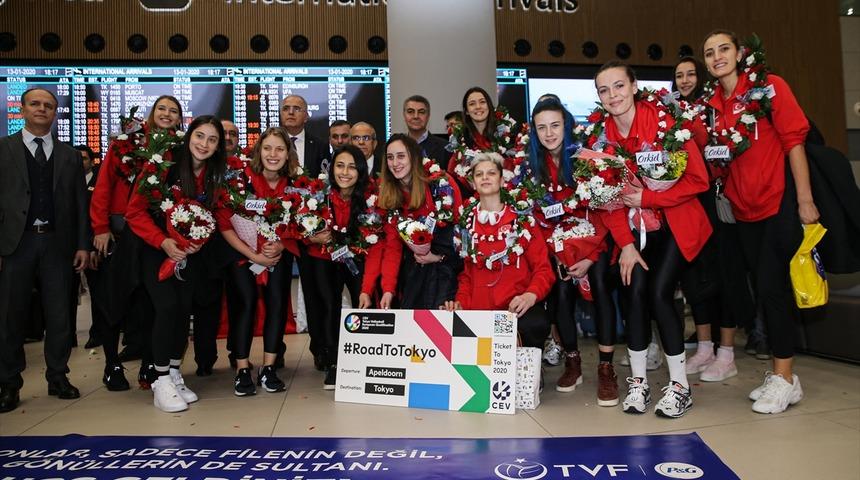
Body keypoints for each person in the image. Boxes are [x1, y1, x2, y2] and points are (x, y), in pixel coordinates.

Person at [702, 30, 819, 414]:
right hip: (742, 211)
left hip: (778, 203)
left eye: (723, 49)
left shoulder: (769, 87)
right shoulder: (713, 105)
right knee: (756, 289)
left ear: (739, 53)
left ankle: (784, 376)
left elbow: (794, 142)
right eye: (709, 53)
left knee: (771, 289)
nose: (717, 56)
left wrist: (805, 200)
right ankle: (783, 376)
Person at [590, 61, 711, 418]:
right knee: (633, 290)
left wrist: (649, 198)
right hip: (634, 231)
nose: (613, 96)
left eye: (618, 86)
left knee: (659, 293)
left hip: (675, 223)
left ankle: (679, 387)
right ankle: (639, 382)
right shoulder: (601, 139)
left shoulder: (666, 123)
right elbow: (605, 198)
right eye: (604, 90)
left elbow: (698, 181)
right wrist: (625, 244)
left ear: (634, 85)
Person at [125, 115, 227, 412]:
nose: (204, 144)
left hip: (189, 255)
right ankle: (158, 379)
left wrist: (198, 240)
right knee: (167, 307)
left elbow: (212, 217)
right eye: (199, 136)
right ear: (188, 136)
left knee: (183, 311)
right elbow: (135, 213)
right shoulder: (162, 164)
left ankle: (172, 371)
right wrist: (163, 241)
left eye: (212, 139)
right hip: (156, 251)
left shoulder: (214, 175)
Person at [0, 87, 90, 413]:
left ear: (55, 114)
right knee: (11, 315)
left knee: (59, 315)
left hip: (57, 243)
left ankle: (58, 376)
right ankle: (9, 382)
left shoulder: (68, 155)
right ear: (22, 109)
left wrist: (82, 244)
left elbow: (81, 203)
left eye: (48, 106)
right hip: (15, 243)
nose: (42, 109)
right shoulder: (4, 149)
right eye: (35, 104)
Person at [524, 98, 618, 403]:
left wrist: (590, 256)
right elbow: (535, 219)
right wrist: (556, 253)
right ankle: (573, 361)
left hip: (595, 240)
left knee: (602, 284)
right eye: (542, 127)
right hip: (555, 245)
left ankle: (606, 368)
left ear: (565, 124)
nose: (549, 133)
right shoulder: (531, 169)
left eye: (555, 125)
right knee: (561, 293)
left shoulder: (585, 159)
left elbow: (604, 208)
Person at [671, 56, 757, 383]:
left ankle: (727, 353)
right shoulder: (671, 115)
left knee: (726, 277)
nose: (685, 80)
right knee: (696, 279)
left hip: (720, 202)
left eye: (691, 73)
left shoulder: (714, 110)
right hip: (690, 206)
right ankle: (704, 348)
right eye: (679, 75)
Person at [90, 95, 183, 390]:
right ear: (151, 112)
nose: (167, 114)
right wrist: (101, 227)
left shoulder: (178, 150)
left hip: (153, 235)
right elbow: (103, 186)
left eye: (174, 111)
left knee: (149, 304)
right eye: (162, 109)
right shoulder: (124, 143)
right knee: (113, 301)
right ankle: (111, 364)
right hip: (118, 234)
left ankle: (148, 363)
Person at [442, 152, 553, 354]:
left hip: (514, 308)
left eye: (491, 173)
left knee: (535, 323)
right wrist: (460, 304)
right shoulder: (466, 225)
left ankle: (527, 368)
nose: (485, 177)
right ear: (473, 184)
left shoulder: (522, 220)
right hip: (480, 309)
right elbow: (467, 275)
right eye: (479, 174)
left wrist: (530, 295)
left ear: (502, 180)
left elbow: (543, 269)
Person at [300, 144, 388, 389]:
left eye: (352, 166)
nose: (345, 172)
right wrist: (311, 236)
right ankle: (333, 361)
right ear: (331, 168)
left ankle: (368, 357)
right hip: (322, 256)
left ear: (360, 171)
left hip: (357, 257)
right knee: (329, 305)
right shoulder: (318, 195)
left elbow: (376, 240)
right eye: (340, 165)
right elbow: (300, 227)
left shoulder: (372, 198)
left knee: (365, 299)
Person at [217, 127, 298, 396]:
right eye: (267, 148)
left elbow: (303, 222)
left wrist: (281, 245)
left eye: (279, 149)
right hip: (243, 254)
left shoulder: (297, 184)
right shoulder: (239, 181)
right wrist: (253, 255)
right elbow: (225, 224)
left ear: (288, 154)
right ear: (258, 151)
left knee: (277, 305)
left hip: (278, 255)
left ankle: (269, 367)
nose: (272, 154)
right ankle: (242, 369)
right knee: (245, 304)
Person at [373, 134, 462, 309]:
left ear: (414, 157)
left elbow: (462, 234)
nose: (395, 163)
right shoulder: (390, 195)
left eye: (401, 156)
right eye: (390, 157)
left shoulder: (442, 183)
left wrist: (437, 257)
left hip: (448, 272)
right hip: (416, 273)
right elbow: (393, 248)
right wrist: (388, 290)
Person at [74, 145, 105, 350]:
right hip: (68, 246)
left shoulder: (99, 181)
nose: (79, 162)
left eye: (83, 159)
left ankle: (98, 332)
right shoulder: (65, 181)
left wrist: (93, 245)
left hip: (93, 244)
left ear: (92, 161)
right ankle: (68, 336)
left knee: (98, 292)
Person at [280, 95, 329, 177]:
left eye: (296, 109)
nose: (291, 112)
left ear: (306, 117)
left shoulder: (320, 146)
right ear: (281, 114)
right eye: (286, 108)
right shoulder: (271, 144)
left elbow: (325, 179)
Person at [403, 95, 450, 170]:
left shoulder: (445, 148)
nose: (416, 116)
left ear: (428, 116)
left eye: (421, 112)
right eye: (410, 112)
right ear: (404, 115)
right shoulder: (396, 147)